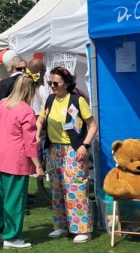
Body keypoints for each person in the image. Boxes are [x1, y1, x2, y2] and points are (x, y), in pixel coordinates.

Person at [38, 66, 98, 243]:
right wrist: (37, 129)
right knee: (57, 189)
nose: (52, 86)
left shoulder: (77, 100)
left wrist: (84, 146)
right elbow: (41, 118)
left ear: (66, 82)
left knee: (76, 187)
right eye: (50, 83)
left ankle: (83, 229)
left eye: (56, 83)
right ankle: (61, 226)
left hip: (73, 149)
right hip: (54, 150)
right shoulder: (50, 100)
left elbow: (93, 125)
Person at [0, 74, 44, 249]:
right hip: (16, 160)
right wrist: (38, 165)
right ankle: (11, 237)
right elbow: (30, 142)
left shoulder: (2, 104)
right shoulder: (26, 110)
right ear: (31, 91)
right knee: (15, 199)